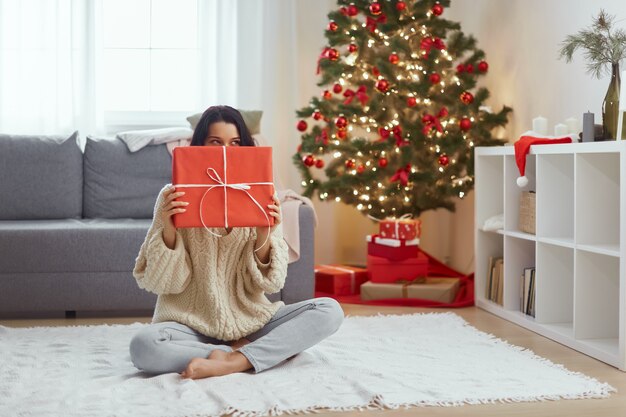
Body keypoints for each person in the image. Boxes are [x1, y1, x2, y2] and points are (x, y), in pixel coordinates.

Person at [129, 105, 344, 380]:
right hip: (188, 323)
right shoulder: (172, 196)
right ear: (200, 147)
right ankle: (246, 354)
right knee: (143, 347)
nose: (225, 152)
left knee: (329, 310)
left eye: (235, 143)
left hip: (251, 320)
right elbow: (161, 283)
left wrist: (265, 232)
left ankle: (234, 361)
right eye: (215, 143)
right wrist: (169, 229)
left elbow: (270, 284)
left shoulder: (263, 195)